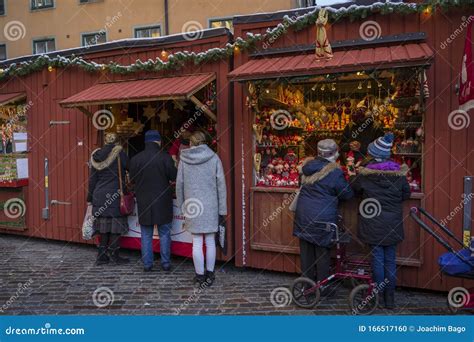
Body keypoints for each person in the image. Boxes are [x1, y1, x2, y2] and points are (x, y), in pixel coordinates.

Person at [351, 132, 411, 309]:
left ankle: (375, 296)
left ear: (373, 154)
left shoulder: (366, 174)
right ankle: (390, 299)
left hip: (373, 222)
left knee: (377, 258)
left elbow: (354, 188)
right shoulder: (399, 174)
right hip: (392, 222)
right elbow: (405, 194)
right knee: (390, 259)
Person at [293, 139, 353, 294]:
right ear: (334, 154)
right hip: (322, 219)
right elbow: (346, 194)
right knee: (322, 254)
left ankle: (307, 286)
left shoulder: (307, 167)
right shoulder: (335, 172)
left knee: (306, 253)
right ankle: (322, 287)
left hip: (303, 215)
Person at [176, 131, 227, 287]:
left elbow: (180, 185)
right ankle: (210, 274)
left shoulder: (183, 160)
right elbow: (221, 186)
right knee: (210, 241)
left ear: (191, 143)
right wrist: (222, 210)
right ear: (205, 142)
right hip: (211, 205)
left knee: (197, 242)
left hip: (192, 206)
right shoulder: (214, 158)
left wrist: (181, 206)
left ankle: (199, 275)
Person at [130, 130, 177, 272]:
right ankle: (166, 263)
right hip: (163, 201)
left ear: (146, 142)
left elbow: (132, 180)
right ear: (159, 141)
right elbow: (173, 177)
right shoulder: (165, 157)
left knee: (146, 234)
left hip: (144, 201)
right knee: (164, 233)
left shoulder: (136, 159)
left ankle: (147, 264)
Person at [87, 133, 130, 266]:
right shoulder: (120, 154)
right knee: (115, 226)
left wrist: (90, 198)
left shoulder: (96, 156)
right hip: (115, 194)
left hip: (99, 195)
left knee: (103, 226)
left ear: (105, 141)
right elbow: (130, 168)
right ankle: (114, 255)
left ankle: (101, 255)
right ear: (117, 142)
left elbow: (92, 180)